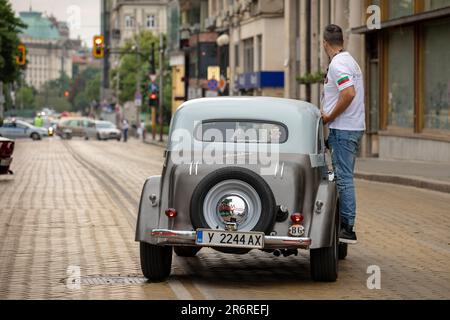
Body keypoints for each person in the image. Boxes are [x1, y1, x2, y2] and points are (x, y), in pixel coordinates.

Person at [320, 24, 366, 244]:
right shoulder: (350, 61)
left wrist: (328, 117)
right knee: (344, 177)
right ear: (342, 41)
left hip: (344, 128)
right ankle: (344, 223)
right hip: (352, 127)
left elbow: (348, 93)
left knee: (344, 178)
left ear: (325, 44)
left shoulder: (338, 64)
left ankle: (347, 227)